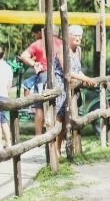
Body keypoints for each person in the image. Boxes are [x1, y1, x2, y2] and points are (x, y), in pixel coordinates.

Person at [55, 25, 97, 157]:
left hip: (73, 85)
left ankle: (67, 148)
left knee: (70, 118)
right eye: (75, 35)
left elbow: (78, 70)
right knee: (60, 118)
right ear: (68, 36)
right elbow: (67, 72)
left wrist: (85, 79)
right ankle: (55, 150)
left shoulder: (78, 50)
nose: (78, 38)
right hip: (60, 84)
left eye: (80, 35)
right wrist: (86, 78)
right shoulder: (62, 50)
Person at [20, 24, 62, 135]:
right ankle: (57, 134)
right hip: (59, 76)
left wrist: (34, 63)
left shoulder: (38, 43)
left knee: (39, 107)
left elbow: (23, 56)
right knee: (58, 105)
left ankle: (38, 136)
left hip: (43, 75)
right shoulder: (61, 43)